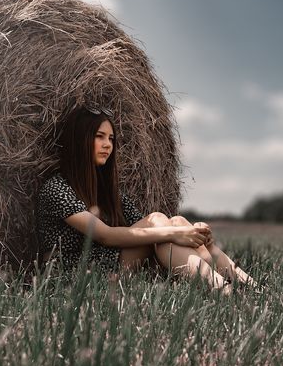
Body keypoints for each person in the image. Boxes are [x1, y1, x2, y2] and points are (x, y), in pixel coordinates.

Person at [36, 105, 259, 293]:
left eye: (111, 139)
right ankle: (225, 290)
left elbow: (149, 232)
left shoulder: (107, 192)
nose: (108, 145)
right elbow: (106, 236)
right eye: (99, 136)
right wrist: (176, 234)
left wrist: (192, 235)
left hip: (111, 263)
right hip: (76, 274)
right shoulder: (57, 189)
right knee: (163, 225)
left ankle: (247, 286)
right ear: (79, 140)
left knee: (175, 222)